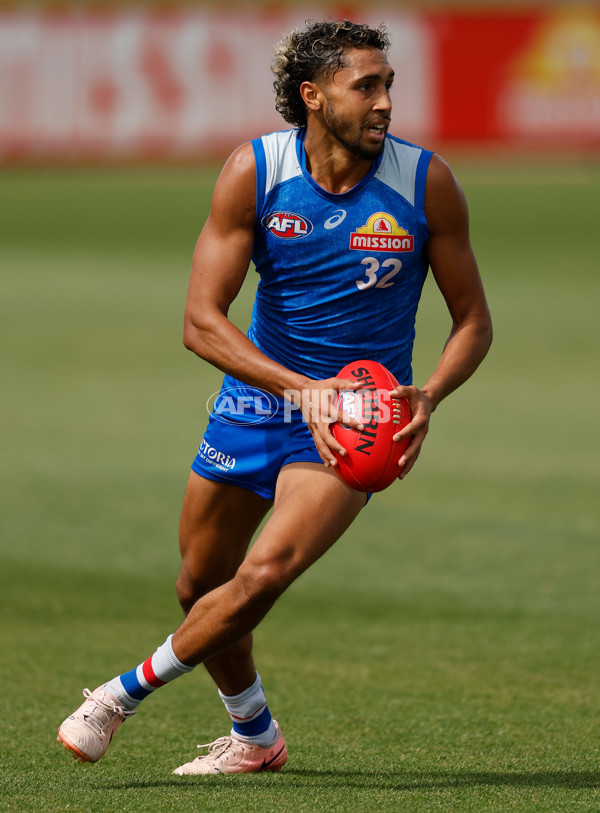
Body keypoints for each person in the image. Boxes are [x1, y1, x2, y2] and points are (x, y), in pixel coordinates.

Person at [57, 19, 492, 775]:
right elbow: (201, 322)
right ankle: (255, 736)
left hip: (357, 422)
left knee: (261, 576)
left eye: (389, 84)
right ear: (313, 95)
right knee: (199, 584)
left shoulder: (426, 183)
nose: (386, 102)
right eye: (366, 86)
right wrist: (301, 390)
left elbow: (474, 321)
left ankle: (119, 696)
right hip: (257, 403)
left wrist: (430, 394)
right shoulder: (255, 171)